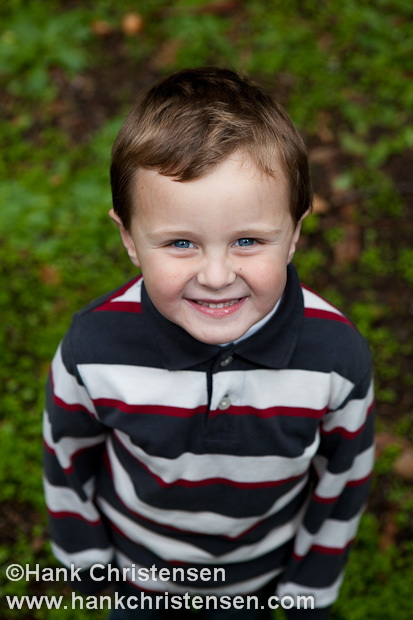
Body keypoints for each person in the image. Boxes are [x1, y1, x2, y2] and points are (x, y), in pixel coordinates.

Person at [43, 67, 375, 619]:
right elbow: (67, 456)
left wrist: (309, 586)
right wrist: (87, 564)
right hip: (138, 576)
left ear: (293, 233)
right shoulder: (93, 349)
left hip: (262, 577)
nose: (217, 275)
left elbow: (343, 477)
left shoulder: (335, 359)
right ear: (129, 238)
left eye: (248, 240)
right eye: (180, 243)